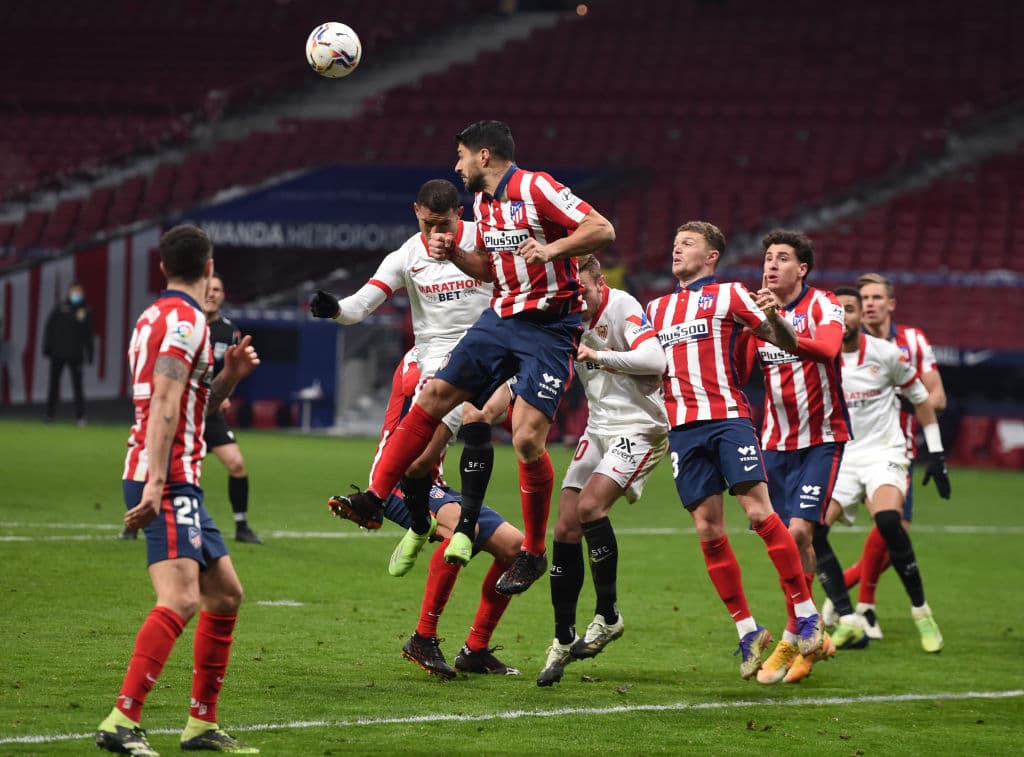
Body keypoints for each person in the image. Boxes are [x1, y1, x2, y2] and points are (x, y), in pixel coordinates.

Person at [330, 120, 616, 597]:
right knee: (436, 394)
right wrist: (455, 256)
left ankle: (534, 553)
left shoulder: (535, 186)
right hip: (501, 317)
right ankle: (376, 497)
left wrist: (552, 249)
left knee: (526, 441)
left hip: (548, 327)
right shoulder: (484, 205)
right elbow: (488, 267)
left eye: (460, 155)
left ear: (484, 155)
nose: (456, 165)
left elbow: (601, 228)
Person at [95, 225, 260, 756]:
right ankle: (123, 720)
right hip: (167, 476)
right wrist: (158, 482)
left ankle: (200, 726)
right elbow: (165, 403)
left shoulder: (150, 318)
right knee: (182, 597)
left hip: (172, 474)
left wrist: (229, 378)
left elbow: (189, 403)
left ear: (163, 268)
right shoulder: (189, 322)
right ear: (208, 267)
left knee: (226, 594)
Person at [645, 221, 823, 682]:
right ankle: (748, 630)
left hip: (727, 419)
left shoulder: (730, 294)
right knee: (707, 529)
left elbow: (782, 341)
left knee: (760, 513)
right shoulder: (656, 308)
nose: (676, 249)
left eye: (687, 244)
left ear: (710, 256)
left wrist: (778, 319)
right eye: (675, 242)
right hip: (682, 430)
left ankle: (805, 614)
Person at [310, 178, 497, 574]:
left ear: (459, 215)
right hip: (438, 365)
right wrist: (334, 309)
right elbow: (362, 304)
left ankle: (463, 528)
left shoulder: (484, 240)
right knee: (417, 465)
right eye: (428, 223)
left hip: (489, 355)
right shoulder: (406, 255)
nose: (435, 233)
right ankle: (417, 522)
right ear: (416, 213)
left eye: (443, 224)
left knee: (514, 432)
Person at [346, 348, 524, 679]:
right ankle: (423, 637)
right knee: (462, 531)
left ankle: (475, 650)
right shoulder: (420, 358)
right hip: (399, 480)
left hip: (435, 483)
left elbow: (488, 414)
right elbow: (434, 400)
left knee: (515, 548)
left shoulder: (468, 360)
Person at [537, 255, 669, 687]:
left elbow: (655, 360)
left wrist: (600, 354)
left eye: (586, 290)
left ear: (599, 282)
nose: (581, 299)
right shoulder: (566, 318)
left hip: (641, 426)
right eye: (573, 293)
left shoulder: (624, 305)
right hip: (598, 428)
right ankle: (562, 637)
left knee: (592, 507)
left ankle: (608, 615)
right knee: (564, 528)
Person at [738, 229, 856, 684]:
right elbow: (742, 369)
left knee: (801, 529)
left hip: (821, 438)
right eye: (767, 257)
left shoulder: (823, 304)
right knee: (782, 542)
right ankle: (812, 634)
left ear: (801, 269)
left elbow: (826, 350)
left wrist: (773, 323)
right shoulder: (755, 311)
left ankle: (793, 635)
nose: (771, 264)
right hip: (773, 442)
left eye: (782, 258)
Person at [821, 287, 950, 652]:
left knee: (890, 523)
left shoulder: (888, 354)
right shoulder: (820, 357)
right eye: (836, 311)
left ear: (862, 316)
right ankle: (847, 618)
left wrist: (936, 454)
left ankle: (921, 613)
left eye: (849, 310)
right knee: (811, 531)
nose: (842, 317)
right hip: (842, 456)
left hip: (882, 452)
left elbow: (923, 399)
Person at [204, 274, 263, 545]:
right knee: (159, 467)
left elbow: (234, 371)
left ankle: (241, 526)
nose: (211, 293)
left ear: (223, 295)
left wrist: (225, 394)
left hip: (211, 411)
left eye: (217, 289)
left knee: (237, 464)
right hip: (184, 412)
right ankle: (135, 524)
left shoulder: (229, 332)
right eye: (207, 288)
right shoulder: (186, 326)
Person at [43, 281, 95, 424]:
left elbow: (89, 334)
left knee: (78, 387)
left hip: (75, 354)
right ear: (69, 292)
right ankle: (49, 414)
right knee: (53, 385)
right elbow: (49, 328)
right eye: (74, 291)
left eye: (78, 292)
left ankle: (80, 416)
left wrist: (90, 353)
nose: (76, 294)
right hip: (58, 353)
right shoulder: (60, 308)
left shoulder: (86, 310)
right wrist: (47, 348)